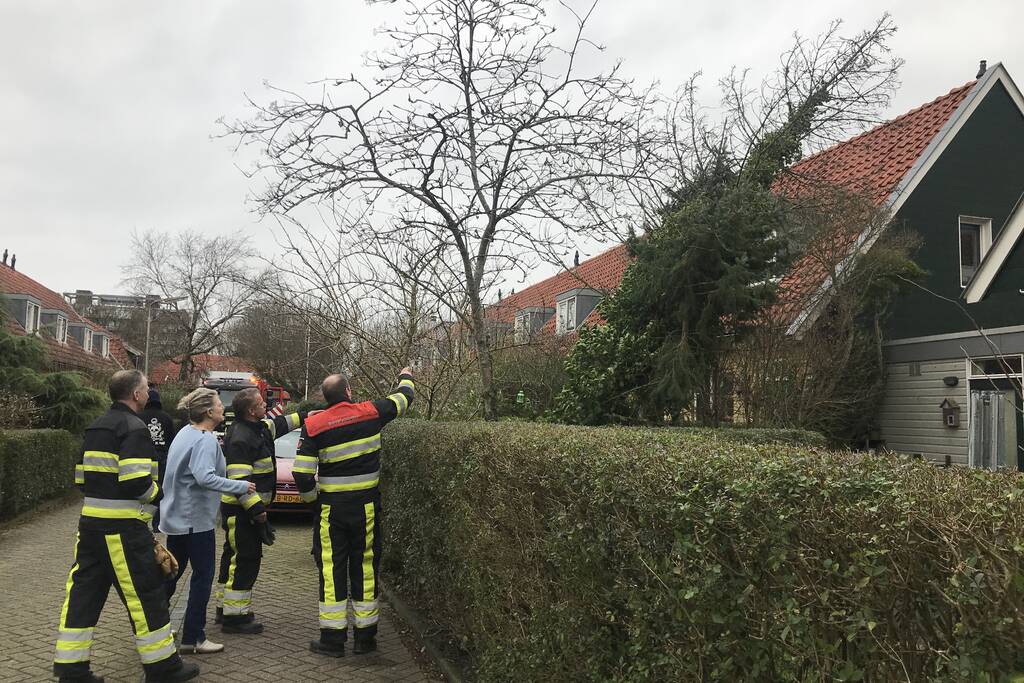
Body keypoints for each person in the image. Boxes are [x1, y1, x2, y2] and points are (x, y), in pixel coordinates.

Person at [52, 370, 198, 683]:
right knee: (146, 594)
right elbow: (135, 481)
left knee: (83, 596)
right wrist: (159, 494)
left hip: (89, 526)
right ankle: (164, 668)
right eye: (146, 388)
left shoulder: (96, 426)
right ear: (135, 394)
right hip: (123, 530)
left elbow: (80, 479)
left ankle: (71, 670)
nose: (148, 392)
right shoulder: (135, 428)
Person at [293, 367, 414, 657]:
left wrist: (313, 502)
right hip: (366, 507)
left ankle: (333, 640)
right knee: (366, 567)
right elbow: (404, 398)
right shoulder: (371, 411)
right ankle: (365, 639)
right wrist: (406, 375)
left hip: (331, 511)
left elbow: (301, 473)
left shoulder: (314, 425)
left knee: (332, 569)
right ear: (348, 392)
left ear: (326, 397)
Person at [160, 388, 256, 655]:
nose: (222, 409)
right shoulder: (205, 439)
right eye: (217, 404)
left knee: (172, 573)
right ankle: (194, 637)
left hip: (176, 517)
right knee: (202, 578)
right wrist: (239, 486)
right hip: (195, 521)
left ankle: (154, 626)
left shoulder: (184, 433)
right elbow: (204, 477)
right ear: (207, 412)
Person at [214, 388, 305, 633]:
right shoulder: (242, 438)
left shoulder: (259, 429)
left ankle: (225, 608)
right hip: (241, 511)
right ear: (251, 411)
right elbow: (240, 482)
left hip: (246, 512)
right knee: (245, 559)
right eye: (261, 403)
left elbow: (282, 423)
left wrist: (308, 414)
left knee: (233, 557)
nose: (266, 404)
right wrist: (258, 514)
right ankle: (235, 618)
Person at [141, 387, 177, 532]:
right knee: (159, 490)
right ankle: (157, 524)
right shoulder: (167, 418)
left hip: (143, 458)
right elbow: (172, 440)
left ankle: (141, 521)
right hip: (161, 459)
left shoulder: (139, 416)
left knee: (143, 488)